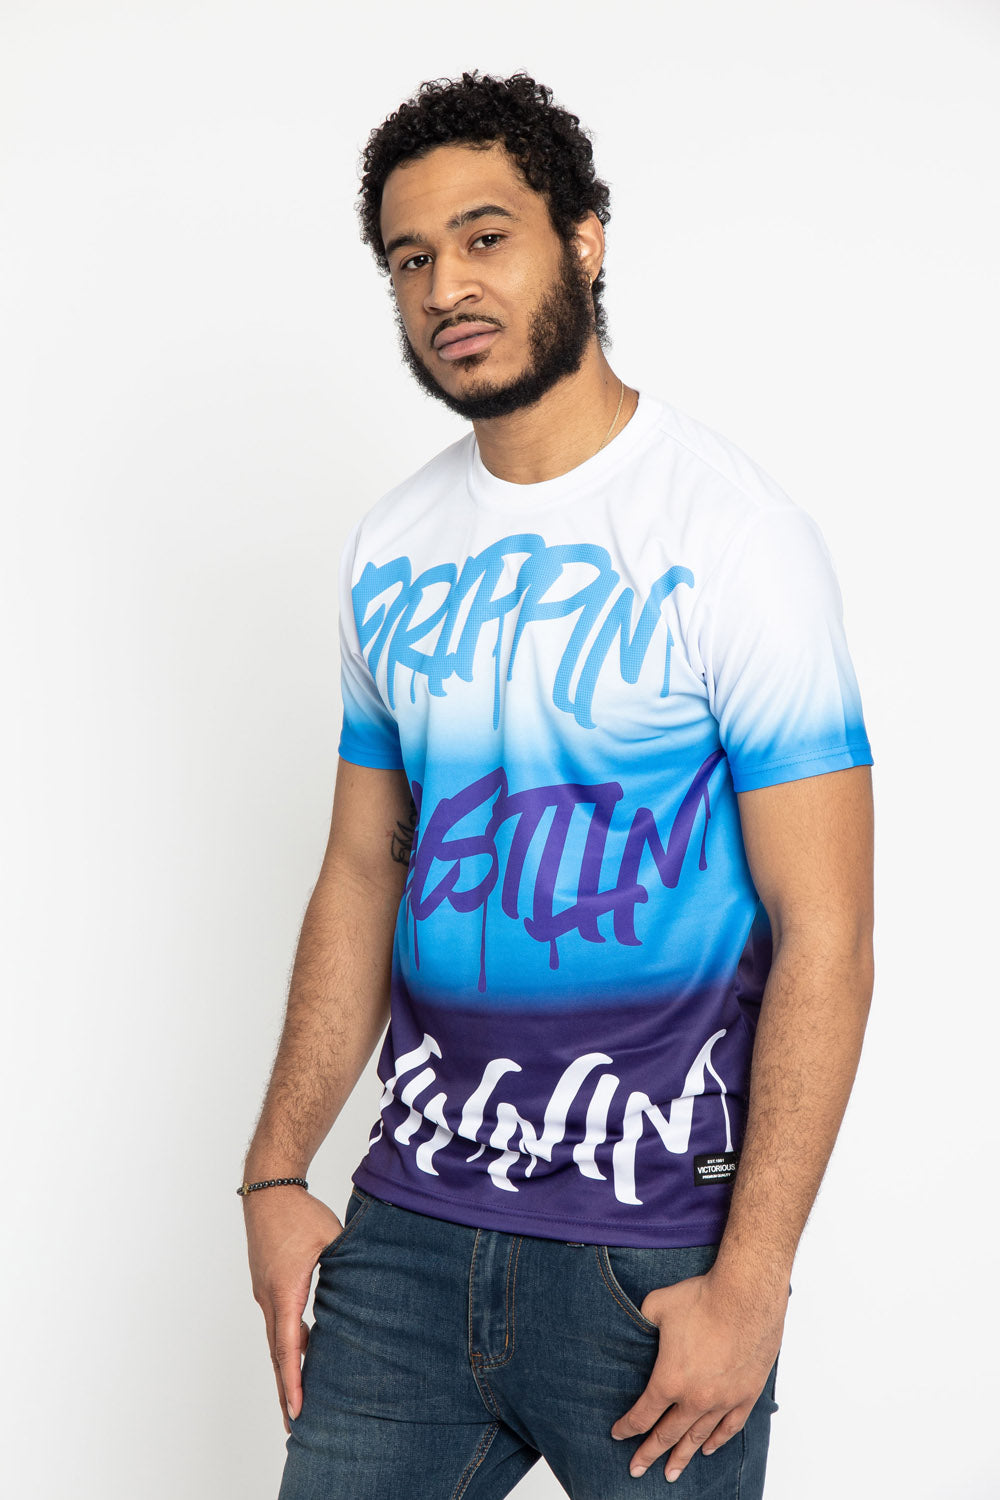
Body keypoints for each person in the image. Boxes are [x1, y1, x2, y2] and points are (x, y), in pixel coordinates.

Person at [240, 71, 875, 1499]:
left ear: (584, 240)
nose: (446, 287)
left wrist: (754, 1281)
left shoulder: (733, 536)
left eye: (486, 237)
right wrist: (276, 1172)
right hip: (407, 1237)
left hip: (651, 1261)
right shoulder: (391, 549)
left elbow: (828, 930)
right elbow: (363, 868)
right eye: (410, 259)